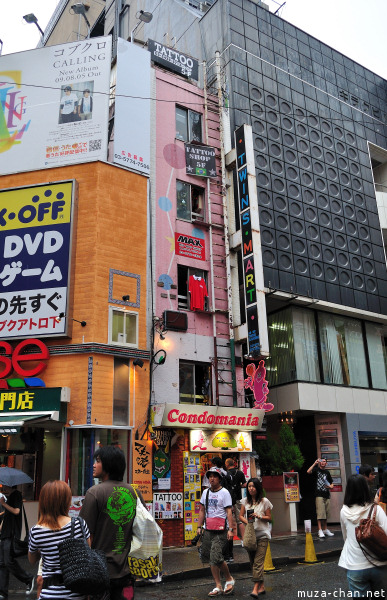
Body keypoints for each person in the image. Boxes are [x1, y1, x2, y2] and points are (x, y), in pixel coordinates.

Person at [80, 445, 138, 600]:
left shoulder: (95, 492)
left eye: (98, 461)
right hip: (127, 571)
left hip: (100, 573)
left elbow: (85, 535)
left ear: (109, 465)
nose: (93, 464)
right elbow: (143, 528)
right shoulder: (134, 492)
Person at [28, 480, 89, 599]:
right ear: (66, 501)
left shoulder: (36, 531)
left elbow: (31, 560)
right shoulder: (79, 525)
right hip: (76, 593)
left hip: (49, 593)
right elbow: (88, 552)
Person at [338, 474, 387, 596]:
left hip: (355, 565)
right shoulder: (376, 509)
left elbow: (346, 538)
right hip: (379, 563)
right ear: (366, 489)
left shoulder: (344, 512)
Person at [196, 467, 235, 597]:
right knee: (209, 557)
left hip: (221, 530)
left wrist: (231, 529)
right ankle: (218, 585)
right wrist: (199, 526)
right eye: (210, 476)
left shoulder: (225, 493)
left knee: (216, 557)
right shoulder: (206, 492)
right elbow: (202, 510)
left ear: (219, 478)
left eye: (214, 476)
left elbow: (229, 511)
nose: (211, 478)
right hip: (208, 529)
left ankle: (229, 579)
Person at [239, 478, 273, 598]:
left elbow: (269, 517)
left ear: (258, 488)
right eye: (249, 486)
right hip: (250, 536)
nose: (251, 488)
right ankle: (262, 586)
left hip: (263, 535)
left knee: (258, 562)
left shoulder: (265, 501)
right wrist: (248, 521)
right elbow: (240, 516)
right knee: (253, 562)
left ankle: (255, 588)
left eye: (253, 486)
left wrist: (259, 516)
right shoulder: (245, 501)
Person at [0, 485, 35, 599]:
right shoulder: (10, 496)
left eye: (4, 485)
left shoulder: (16, 495)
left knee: (8, 561)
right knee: (3, 563)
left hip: (11, 534)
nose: (3, 487)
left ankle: (28, 578)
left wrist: (4, 504)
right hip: (5, 533)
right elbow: (8, 515)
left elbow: (16, 511)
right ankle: (3, 592)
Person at [224, 457, 247, 561]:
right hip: (238, 498)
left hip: (229, 498)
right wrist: (239, 485)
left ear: (227, 464)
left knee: (230, 519)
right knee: (240, 519)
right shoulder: (240, 473)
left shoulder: (226, 474)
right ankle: (243, 540)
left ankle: (230, 538)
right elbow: (245, 484)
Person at [307, 457, 334, 538]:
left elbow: (332, 484)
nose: (323, 462)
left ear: (326, 463)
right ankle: (320, 530)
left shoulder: (327, 472)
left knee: (326, 513)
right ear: (320, 462)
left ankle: (325, 529)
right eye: (322, 461)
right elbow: (308, 471)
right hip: (319, 494)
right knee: (320, 513)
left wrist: (330, 486)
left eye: (325, 461)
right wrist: (315, 463)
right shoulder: (316, 470)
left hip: (326, 494)